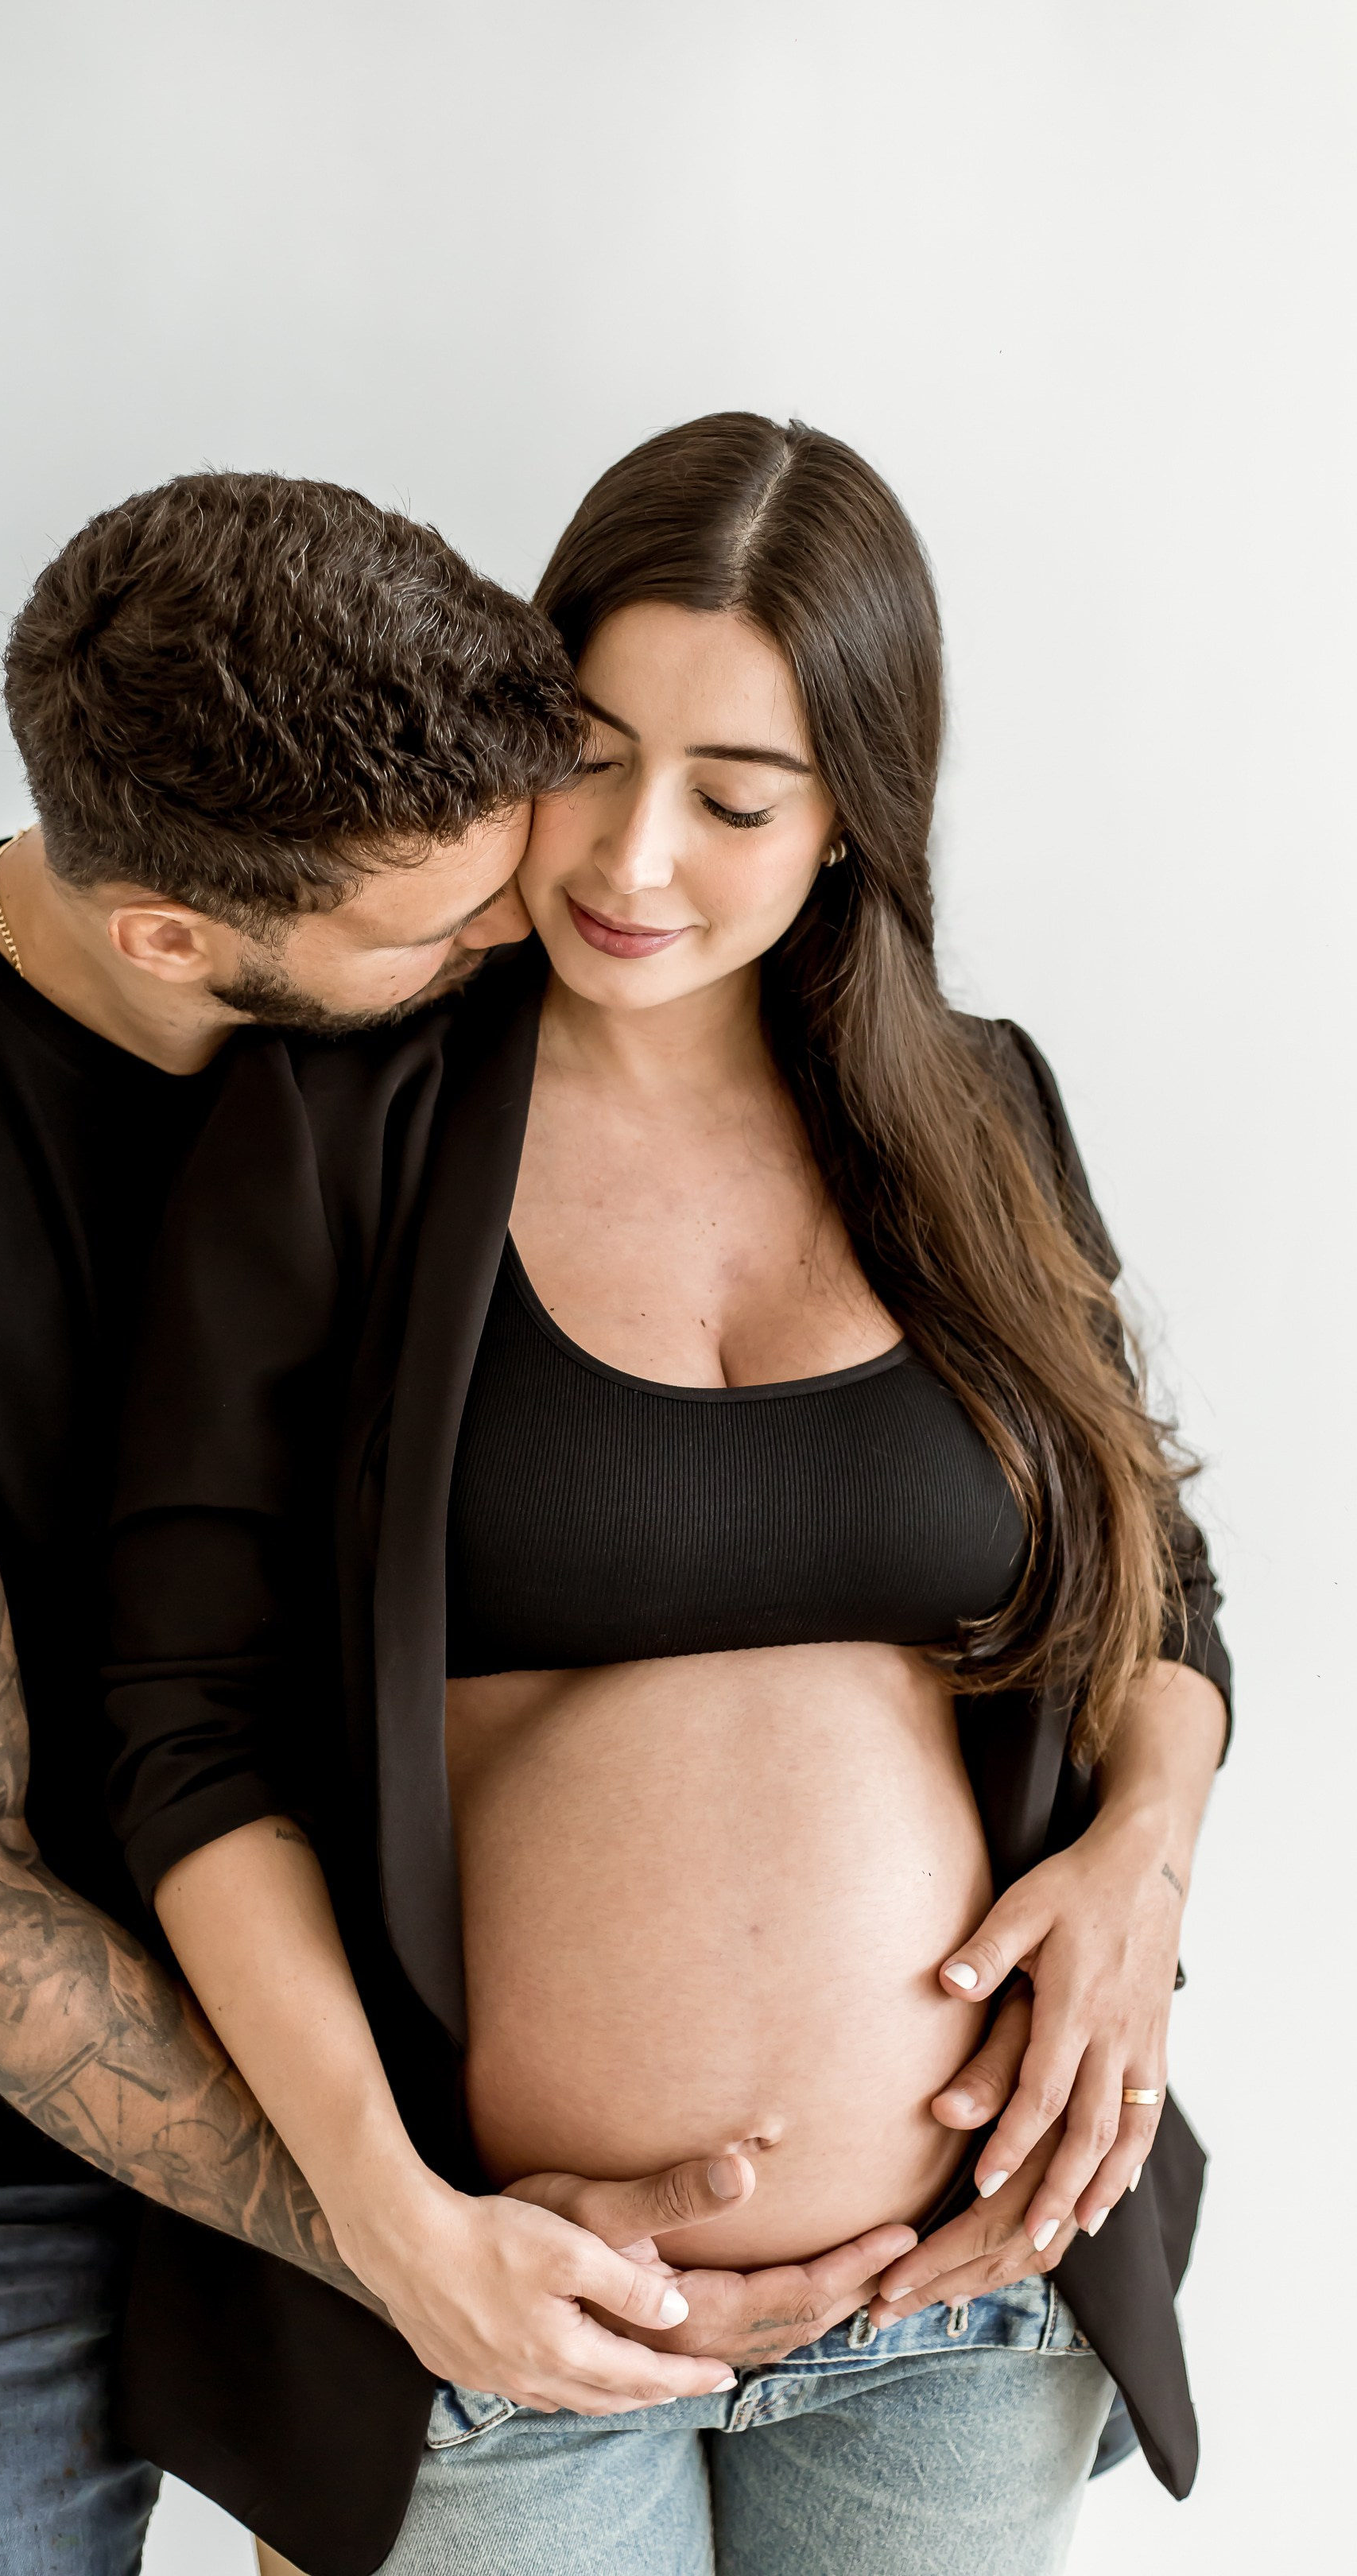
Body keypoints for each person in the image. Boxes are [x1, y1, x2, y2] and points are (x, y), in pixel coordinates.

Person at [0, 471, 864, 2574]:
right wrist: (399, 2231)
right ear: (172, 940)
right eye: (440, 929)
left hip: (428, 2056)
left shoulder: (476, 987)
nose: (520, 936)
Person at [105, 416, 1231, 2576]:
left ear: (851, 816)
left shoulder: (978, 1114)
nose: (629, 858)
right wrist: (392, 2221)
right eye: (589, 758)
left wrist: (1142, 1871)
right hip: (495, 2314)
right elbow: (182, 1724)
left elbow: (1156, 1594)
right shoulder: (335, 1128)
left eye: (734, 797)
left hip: (965, 2296)